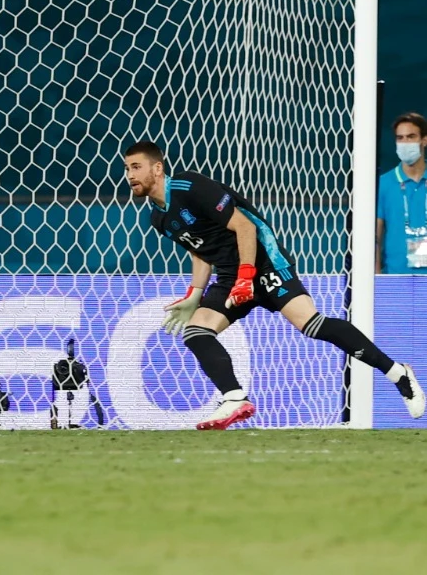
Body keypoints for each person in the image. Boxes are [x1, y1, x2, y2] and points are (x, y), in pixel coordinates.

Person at [123, 140, 424, 429]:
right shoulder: (158, 219)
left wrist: (246, 276)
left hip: (263, 260)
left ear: (158, 168)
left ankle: (398, 373)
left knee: (311, 324)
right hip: (231, 274)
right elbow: (200, 253)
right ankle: (234, 397)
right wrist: (195, 294)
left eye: (136, 167)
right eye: (127, 169)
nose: (130, 175)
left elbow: (245, 226)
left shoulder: (191, 186)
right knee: (196, 332)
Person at [377, 113, 427, 274]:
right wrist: (376, 280)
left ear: (424, 140)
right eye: (400, 138)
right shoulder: (383, 184)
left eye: (411, 137)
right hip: (395, 278)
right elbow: (375, 239)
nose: (405, 143)